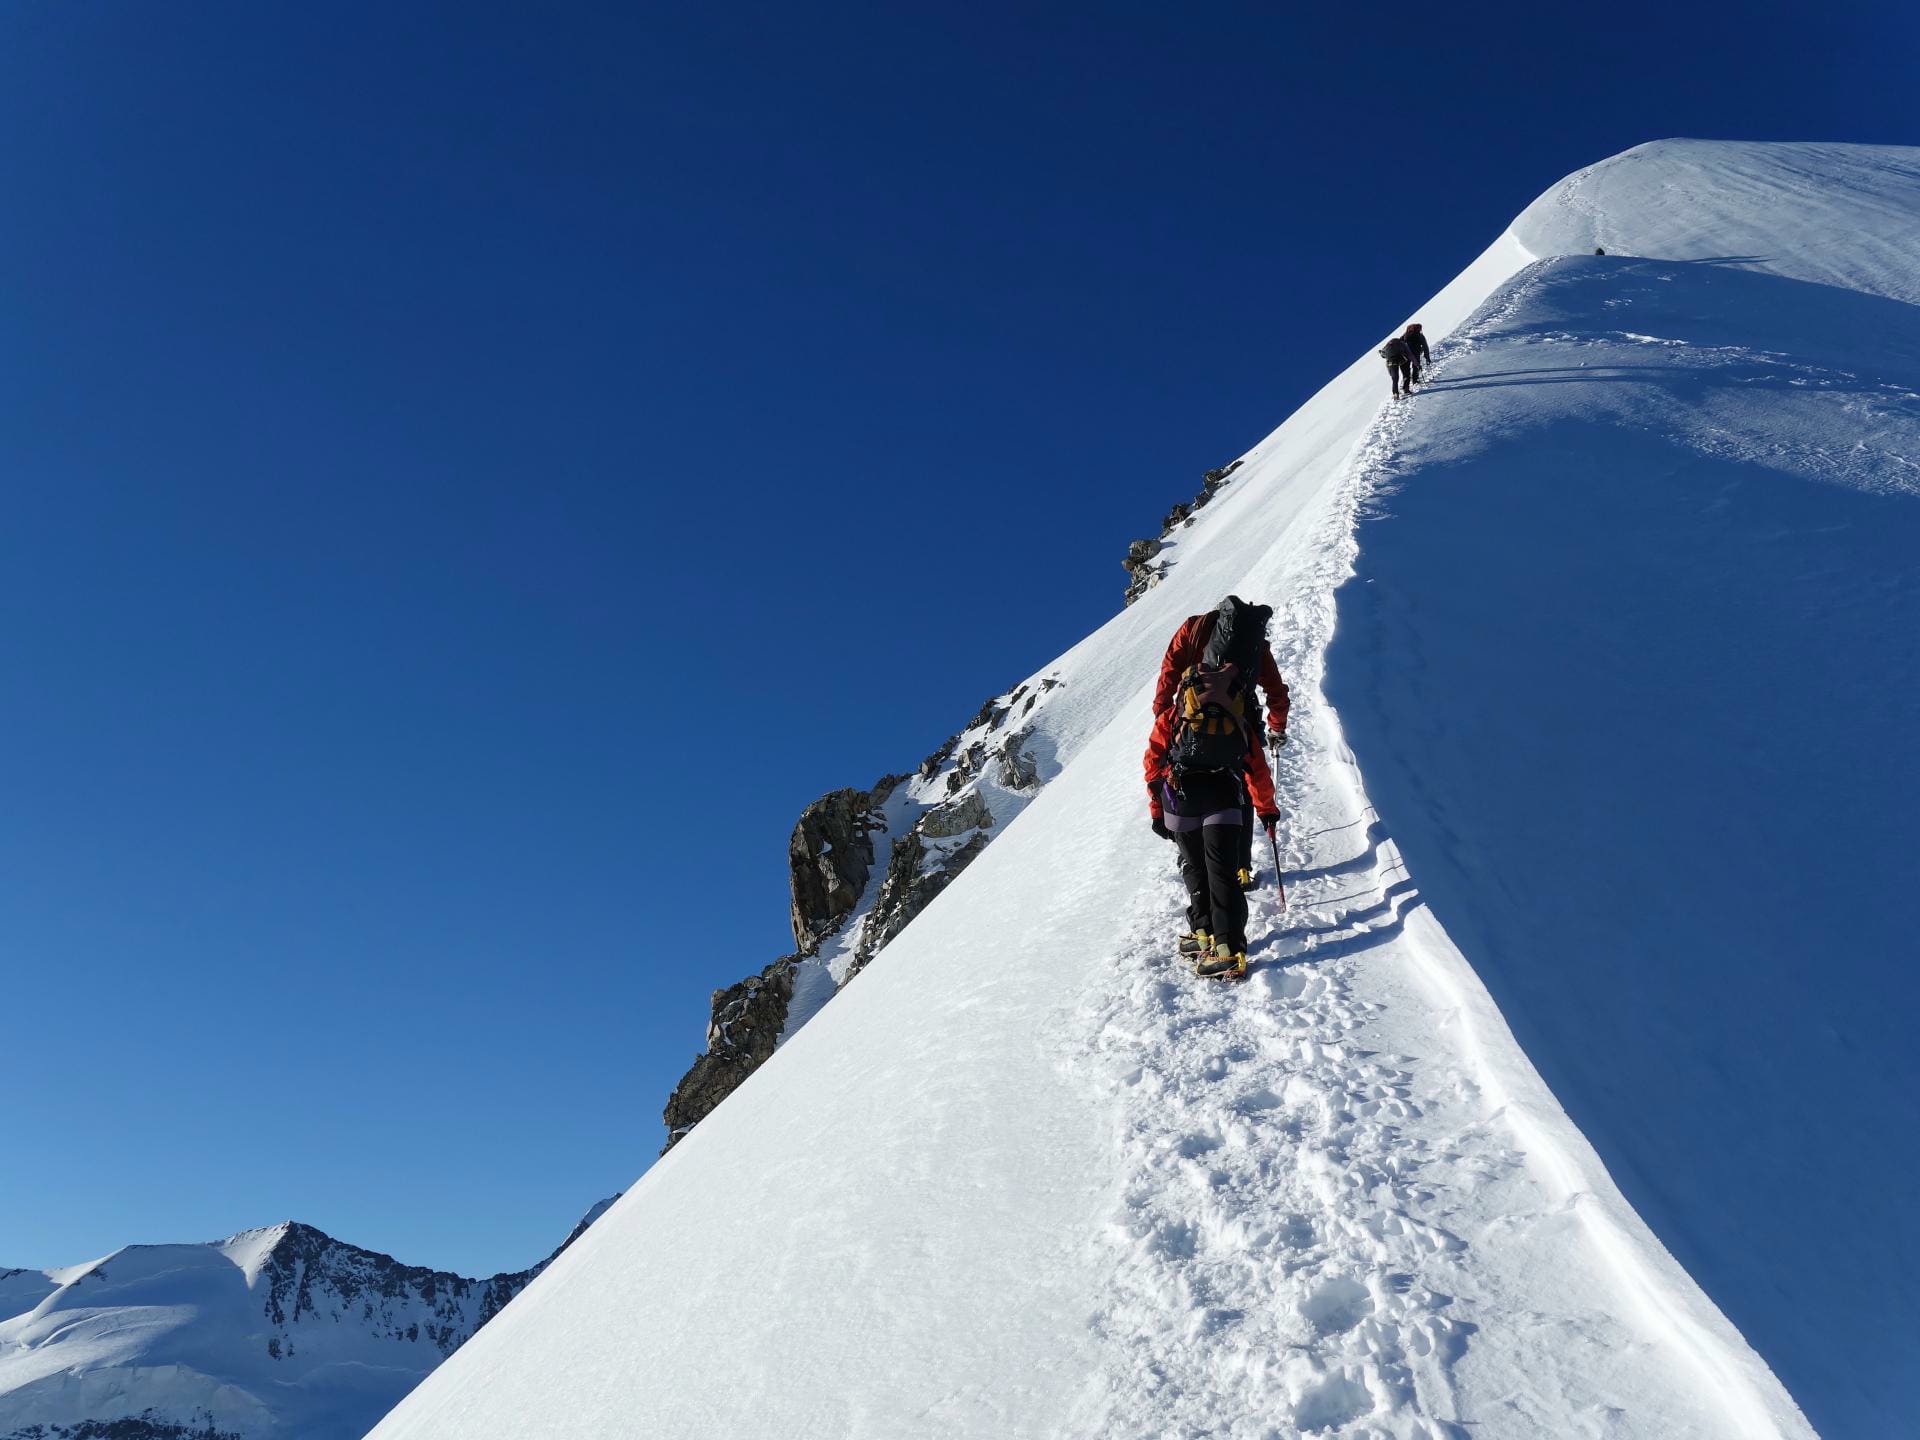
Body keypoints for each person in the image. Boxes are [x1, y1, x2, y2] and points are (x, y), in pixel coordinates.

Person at [1146, 597, 1292, 977]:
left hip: (1185, 746)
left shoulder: (1192, 627)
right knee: (1237, 792)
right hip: (1238, 729)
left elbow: (1169, 670)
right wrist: (1277, 726)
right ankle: (1238, 873)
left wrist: (1170, 713)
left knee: (1193, 860)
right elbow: (1275, 690)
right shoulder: (1253, 642)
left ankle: (1202, 928)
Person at [1379, 334, 1414, 399]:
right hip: (1401, 360)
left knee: (1395, 378)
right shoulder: (1402, 344)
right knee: (1406, 374)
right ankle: (1406, 389)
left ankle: (1395, 393)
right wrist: (1416, 364)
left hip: (1390, 362)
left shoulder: (1388, 344)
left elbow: (1383, 354)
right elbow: (1410, 354)